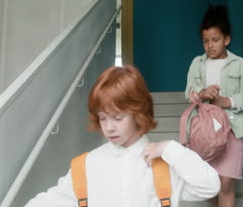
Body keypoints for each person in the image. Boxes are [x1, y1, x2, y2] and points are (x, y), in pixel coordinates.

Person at [25, 65, 220, 207]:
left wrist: (171, 148)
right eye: (102, 118)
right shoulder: (87, 165)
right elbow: (45, 202)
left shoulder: (164, 165)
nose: (109, 127)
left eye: (117, 118)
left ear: (138, 112)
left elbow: (210, 186)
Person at [185, 5, 243, 207]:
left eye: (215, 40)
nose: (210, 46)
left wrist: (227, 101)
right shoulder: (197, 64)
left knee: (226, 181)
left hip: (232, 129)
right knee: (210, 182)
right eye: (205, 41)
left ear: (226, 39)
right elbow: (188, 91)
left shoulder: (240, 64)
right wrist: (201, 93)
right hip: (205, 132)